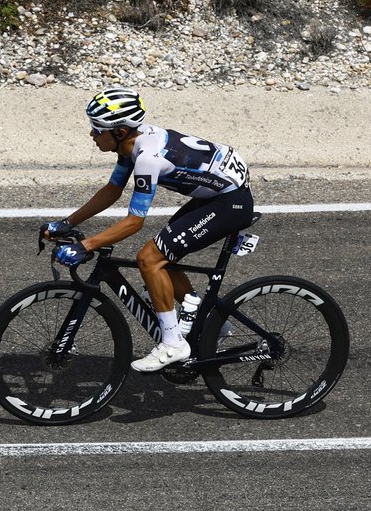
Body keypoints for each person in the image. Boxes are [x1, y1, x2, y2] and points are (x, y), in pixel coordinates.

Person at [43, 86, 254, 372]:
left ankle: (173, 344)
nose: (92, 135)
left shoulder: (147, 158)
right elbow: (112, 190)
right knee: (165, 255)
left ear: (118, 131)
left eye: (97, 129)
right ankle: (213, 322)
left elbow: (134, 222)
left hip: (230, 201)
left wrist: (85, 246)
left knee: (149, 258)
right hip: (217, 194)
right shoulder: (130, 143)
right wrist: (68, 223)